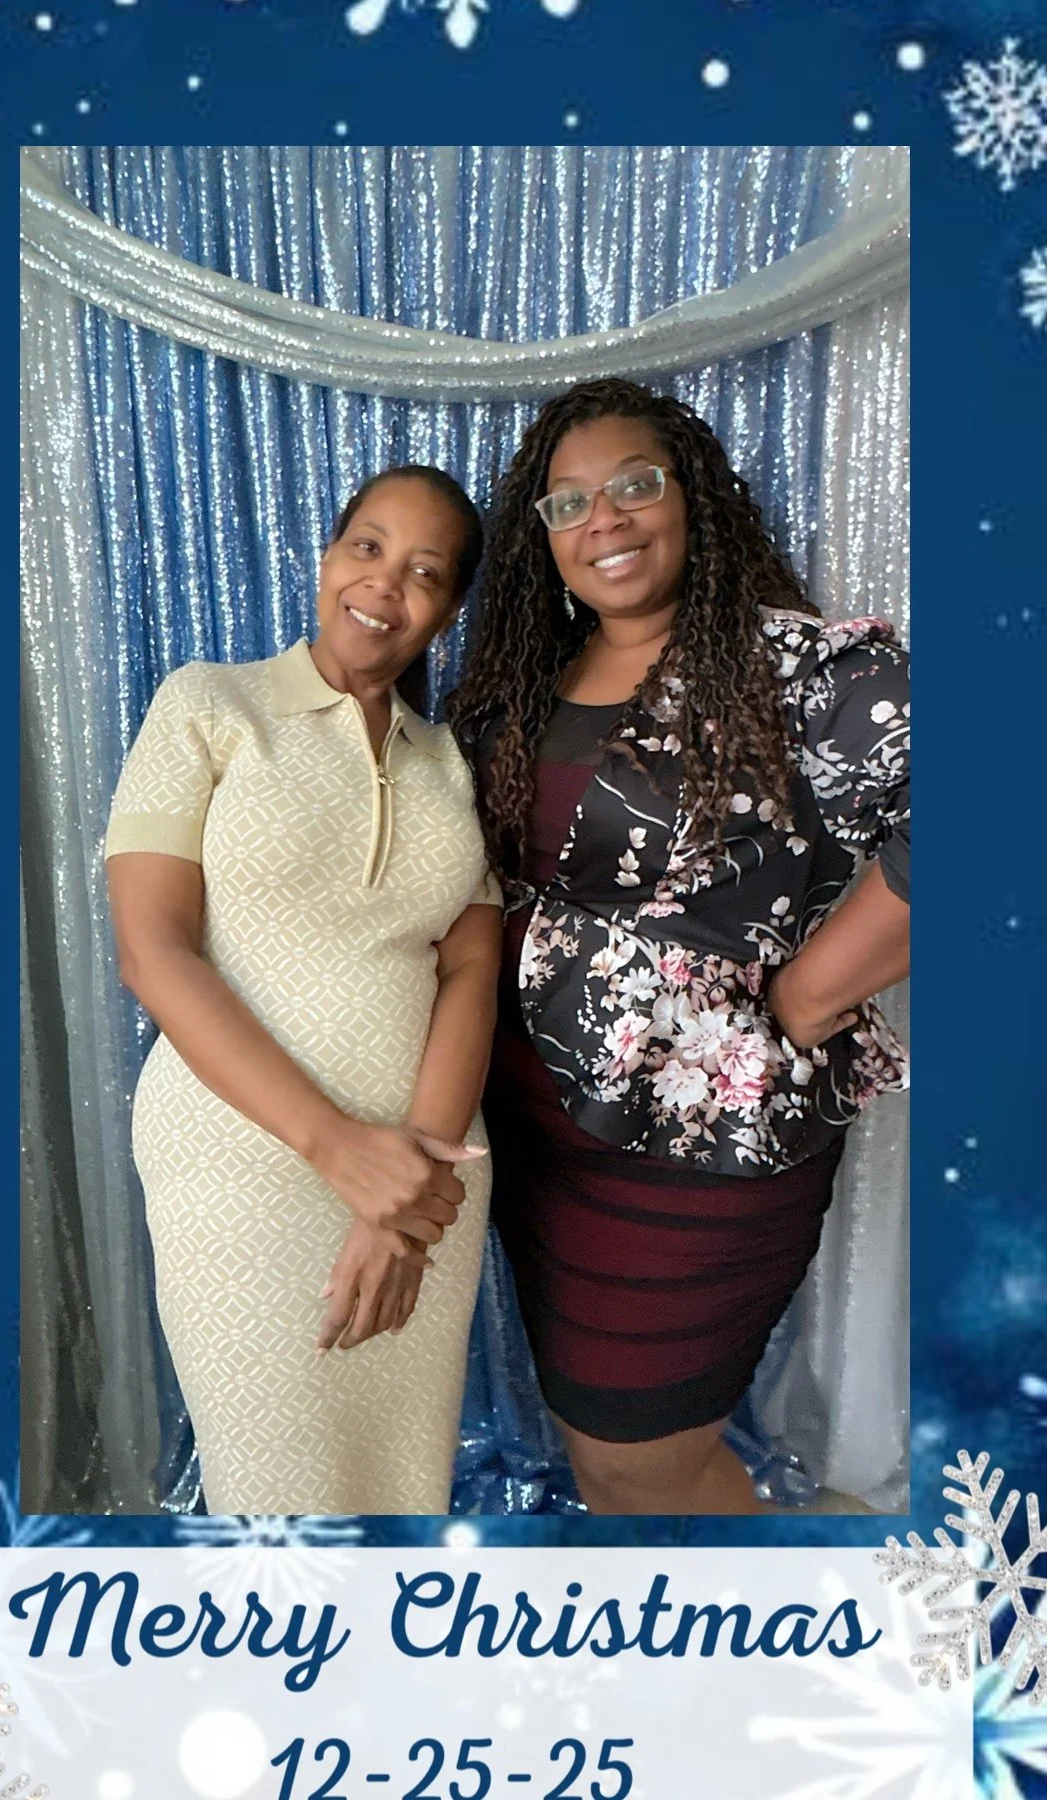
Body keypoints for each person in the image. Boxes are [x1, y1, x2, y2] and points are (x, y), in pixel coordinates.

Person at [450, 379, 909, 1517]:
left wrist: (810, 990)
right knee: (605, 1457)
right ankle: (724, 1651)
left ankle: (775, 1663)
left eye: (633, 486)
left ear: (693, 497)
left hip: (705, 1151)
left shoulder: (804, 673)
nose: (601, 520)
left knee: (633, 1465)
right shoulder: (517, 692)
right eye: (566, 505)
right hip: (535, 1140)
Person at [104, 465, 503, 1516]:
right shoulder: (208, 705)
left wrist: (406, 1196)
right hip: (238, 1165)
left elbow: (472, 968)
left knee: (403, 1489)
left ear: (450, 608)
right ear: (326, 557)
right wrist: (338, 1148)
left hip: (431, 1178)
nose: (384, 584)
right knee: (276, 1498)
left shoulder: (451, 766)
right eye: (366, 546)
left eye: (425, 571)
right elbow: (153, 953)